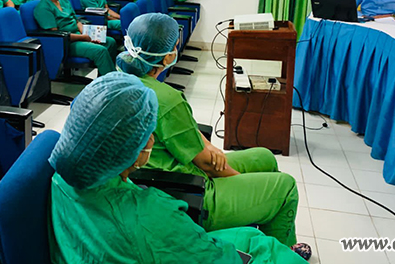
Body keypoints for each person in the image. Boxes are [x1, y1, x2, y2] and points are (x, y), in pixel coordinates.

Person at [49, 72, 307, 264]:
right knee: (264, 248)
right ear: (130, 150)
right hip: (157, 244)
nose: (151, 140)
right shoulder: (151, 216)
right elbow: (216, 256)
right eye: (149, 134)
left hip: (117, 246)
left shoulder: (63, 176)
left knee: (249, 234)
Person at [116, 13, 309, 258]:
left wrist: (207, 145)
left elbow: (185, 131)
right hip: (186, 192)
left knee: (264, 158)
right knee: (284, 187)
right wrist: (236, 181)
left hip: (170, 173)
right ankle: (280, 254)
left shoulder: (120, 79)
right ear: (166, 56)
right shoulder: (166, 99)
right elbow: (207, 163)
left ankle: (270, 239)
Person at [34, 0, 117, 77]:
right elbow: (56, 36)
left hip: (78, 35)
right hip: (66, 43)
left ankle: (103, 78)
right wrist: (83, 37)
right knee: (100, 51)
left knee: (110, 42)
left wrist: (88, 34)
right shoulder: (43, 8)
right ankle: (112, 84)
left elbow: (76, 21)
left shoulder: (63, 0)